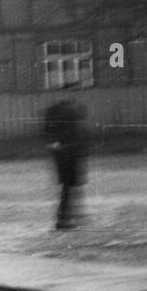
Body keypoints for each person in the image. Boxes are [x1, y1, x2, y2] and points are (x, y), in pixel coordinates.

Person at [41, 86, 90, 230]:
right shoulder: (61, 109)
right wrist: (55, 143)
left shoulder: (76, 108)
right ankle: (63, 218)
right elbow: (50, 130)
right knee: (69, 186)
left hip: (72, 152)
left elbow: (80, 131)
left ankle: (71, 215)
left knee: (73, 185)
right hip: (66, 152)